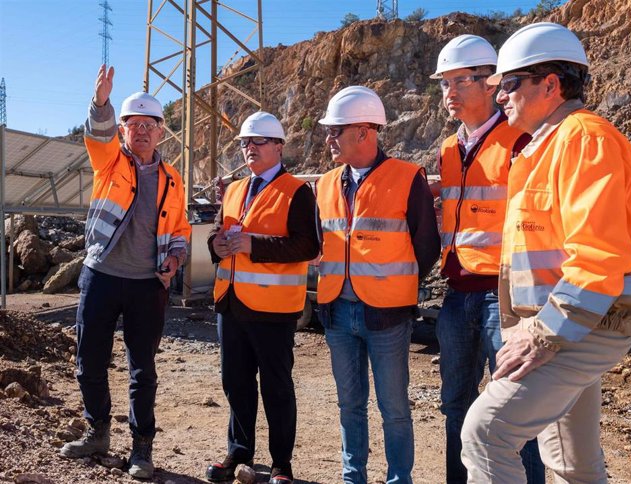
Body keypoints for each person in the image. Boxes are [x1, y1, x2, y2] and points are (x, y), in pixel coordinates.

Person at [460, 22, 631, 483]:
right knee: (571, 460)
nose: (499, 97)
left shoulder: (583, 140)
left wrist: (541, 334)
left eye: (509, 84)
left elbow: (598, 259)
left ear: (550, 84)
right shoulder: (544, 148)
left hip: (580, 325)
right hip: (565, 323)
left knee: (486, 432)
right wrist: (523, 324)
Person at [60, 65, 191, 480]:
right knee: (89, 361)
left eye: (150, 125)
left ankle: (141, 448)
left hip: (146, 285)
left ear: (161, 131)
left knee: (142, 370)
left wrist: (175, 258)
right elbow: (98, 135)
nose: (142, 131)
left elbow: (180, 229)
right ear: (124, 129)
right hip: (101, 274)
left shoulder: (173, 178)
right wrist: (100, 102)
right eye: (134, 124)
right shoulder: (111, 162)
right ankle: (98, 432)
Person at [429, 35, 544, 483]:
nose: (450, 93)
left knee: (516, 408)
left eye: (460, 81)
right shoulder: (448, 148)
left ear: (490, 83)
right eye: (444, 84)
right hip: (457, 295)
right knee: (455, 402)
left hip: (505, 297)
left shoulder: (520, 141)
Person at [315, 86, 440, 484]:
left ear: (365, 132)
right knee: (349, 404)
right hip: (337, 312)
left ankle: (398, 479)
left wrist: (393, 285)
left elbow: (426, 247)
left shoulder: (407, 178)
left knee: (394, 406)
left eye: (336, 130)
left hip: (387, 316)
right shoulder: (326, 184)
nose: (328, 139)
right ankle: (355, 477)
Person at [205, 111, 319, 484]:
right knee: (235, 381)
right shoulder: (236, 189)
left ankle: (281, 464)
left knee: (276, 386)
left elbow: (307, 245)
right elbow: (220, 234)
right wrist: (216, 245)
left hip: (273, 309)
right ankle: (239, 452)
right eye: (244, 143)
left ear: (278, 146)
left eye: (257, 141)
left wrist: (254, 244)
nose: (248, 148)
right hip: (232, 302)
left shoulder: (297, 192)